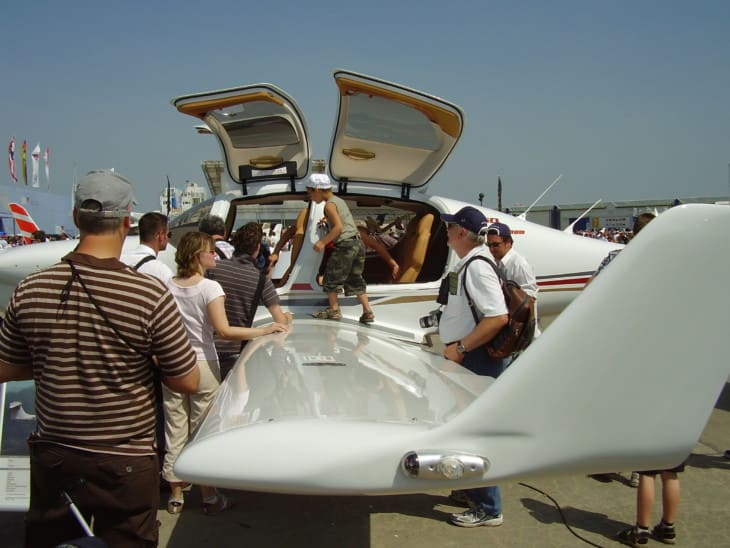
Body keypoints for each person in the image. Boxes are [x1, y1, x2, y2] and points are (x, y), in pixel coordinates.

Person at [0, 169, 200, 547]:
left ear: (76, 218)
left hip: (56, 455)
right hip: (125, 460)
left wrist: (54, 360)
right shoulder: (149, 294)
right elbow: (187, 380)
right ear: (128, 221)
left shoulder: (31, 288)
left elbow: (5, 367)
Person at [164, 231, 289, 516]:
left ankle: (175, 494)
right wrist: (264, 329)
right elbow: (224, 330)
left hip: (173, 364)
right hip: (202, 364)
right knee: (203, 429)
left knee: (175, 426)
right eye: (210, 251)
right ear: (198, 256)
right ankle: (208, 495)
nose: (216, 255)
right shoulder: (210, 288)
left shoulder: (167, 285)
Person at [437, 206, 509, 528]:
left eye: (451, 227)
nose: (448, 232)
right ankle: (471, 491)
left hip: (474, 358)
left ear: (462, 232)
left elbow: (497, 317)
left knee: (476, 432)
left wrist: (461, 348)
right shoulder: (468, 263)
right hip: (466, 356)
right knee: (465, 428)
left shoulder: (476, 267)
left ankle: (489, 507)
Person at [207, 222, 293, 379]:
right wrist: (288, 317)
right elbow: (280, 321)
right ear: (257, 248)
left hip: (207, 349)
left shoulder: (212, 269)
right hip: (235, 352)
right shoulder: (261, 280)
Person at [307, 174, 375, 323]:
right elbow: (343, 220)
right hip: (357, 244)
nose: (310, 197)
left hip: (345, 245)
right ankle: (367, 311)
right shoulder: (338, 201)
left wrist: (322, 242)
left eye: (310, 193)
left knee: (330, 277)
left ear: (317, 189)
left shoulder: (329, 205)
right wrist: (328, 220)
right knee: (355, 278)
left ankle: (334, 310)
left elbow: (338, 228)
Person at [485, 221, 540, 337]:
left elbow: (530, 297)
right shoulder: (498, 262)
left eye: (495, 245)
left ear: (508, 243)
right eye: (488, 245)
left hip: (523, 333)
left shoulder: (519, 264)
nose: (491, 249)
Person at [121, 211, 174, 283]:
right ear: (161, 235)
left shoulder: (120, 260)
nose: (168, 238)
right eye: (169, 234)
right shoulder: (163, 273)